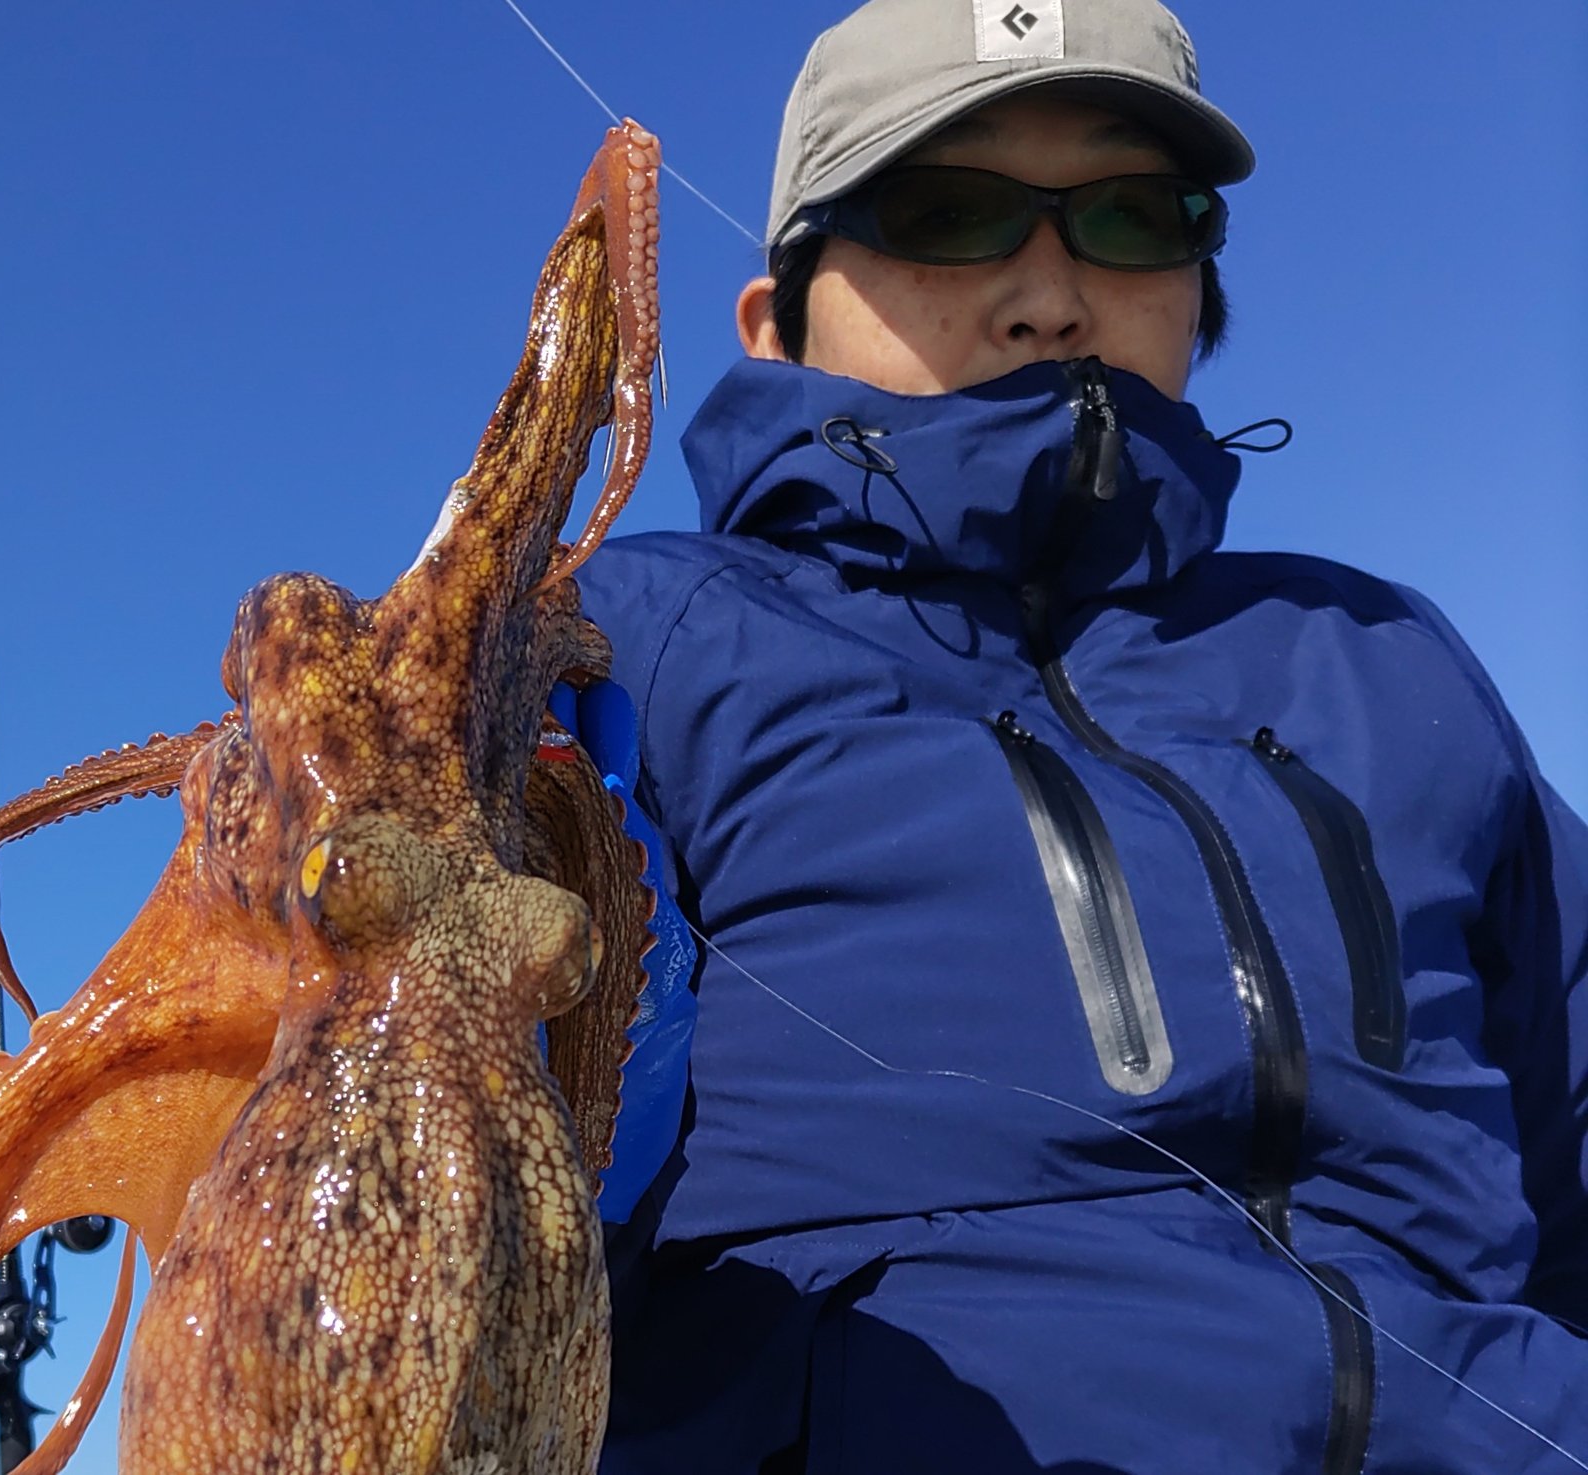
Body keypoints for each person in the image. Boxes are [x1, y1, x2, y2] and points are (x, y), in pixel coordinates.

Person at [567, 0, 1588, 1470]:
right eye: (944, 211)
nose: (1049, 291)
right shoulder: (620, 647)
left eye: (1127, 215)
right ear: (772, 317)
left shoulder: (1383, 656)